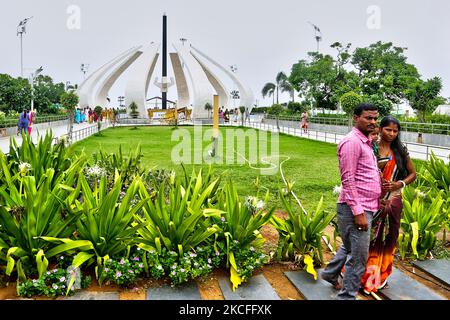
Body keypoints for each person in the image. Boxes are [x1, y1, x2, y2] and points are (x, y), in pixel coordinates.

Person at [321, 103, 381, 300]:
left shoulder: (365, 141)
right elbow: (347, 180)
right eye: (368, 118)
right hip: (356, 208)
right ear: (356, 118)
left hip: (366, 206)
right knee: (358, 259)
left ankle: (330, 274)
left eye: (375, 118)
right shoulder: (352, 143)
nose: (373, 122)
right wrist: (358, 212)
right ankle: (346, 297)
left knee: (351, 247)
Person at [361, 116, 416, 294]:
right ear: (381, 128)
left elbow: (413, 174)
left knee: (388, 238)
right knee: (368, 239)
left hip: (393, 201)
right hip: (372, 201)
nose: (391, 133)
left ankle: (380, 275)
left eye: (395, 131)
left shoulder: (400, 151)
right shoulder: (371, 148)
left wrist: (399, 184)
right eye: (388, 129)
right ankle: (362, 275)